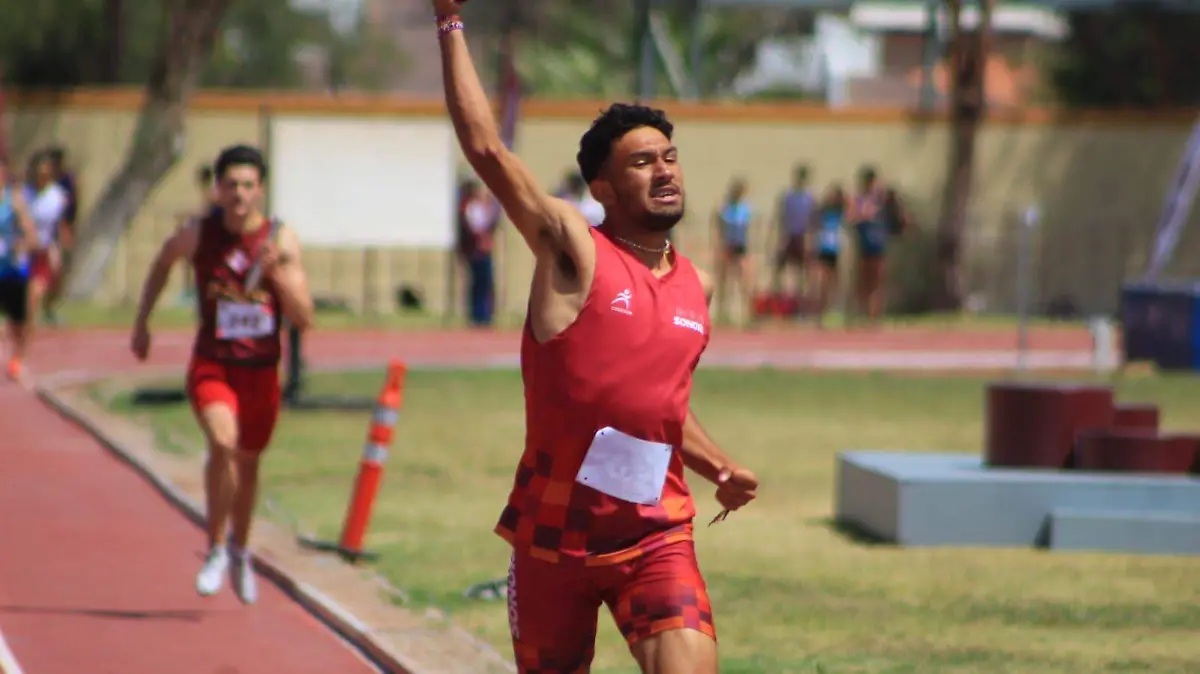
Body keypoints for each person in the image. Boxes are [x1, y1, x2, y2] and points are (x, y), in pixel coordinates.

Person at [434, 2, 758, 672]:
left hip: (656, 533)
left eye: (670, 157)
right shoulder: (574, 250)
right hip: (555, 536)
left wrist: (720, 467)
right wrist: (450, 21)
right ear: (602, 188)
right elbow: (488, 150)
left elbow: (661, 406)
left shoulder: (695, 286)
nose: (664, 171)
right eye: (642, 162)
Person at [129, 145, 314, 604]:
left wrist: (278, 276)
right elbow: (162, 262)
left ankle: (240, 551)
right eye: (231, 185)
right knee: (223, 441)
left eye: (248, 185)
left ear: (261, 189)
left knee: (247, 464)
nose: (239, 195)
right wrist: (143, 321)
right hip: (213, 365)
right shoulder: (198, 233)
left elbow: (304, 317)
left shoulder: (281, 240)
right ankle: (214, 547)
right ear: (218, 188)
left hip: (261, 372)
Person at [0, 157, 39, 381]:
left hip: (12, 270)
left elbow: (31, 236)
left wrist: (21, 244)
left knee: (17, 324)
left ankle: (17, 357)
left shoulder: (14, 201)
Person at [23, 152, 70, 332]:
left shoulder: (56, 196)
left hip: (45, 246)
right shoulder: (25, 194)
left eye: (46, 173)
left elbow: (59, 223)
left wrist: (60, 243)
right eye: (39, 173)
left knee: (56, 278)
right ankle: (27, 322)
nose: (42, 177)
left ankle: (47, 311)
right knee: (34, 289)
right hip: (24, 248)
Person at [847, 165, 889, 325]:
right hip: (864, 246)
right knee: (862, 282)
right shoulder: (858, 199)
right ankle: (858, 314)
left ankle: (874, 317)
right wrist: (863, 214)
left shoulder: (880, 199)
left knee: (877, 282)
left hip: (879, 246)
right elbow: (851, 218)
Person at [712, 177, 756, 326]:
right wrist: (718, 247)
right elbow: (719, 229)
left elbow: (749, 229)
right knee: (725, 281)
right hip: (727, 246)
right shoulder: (724, 208)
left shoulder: (746, 209)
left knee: (745, 281)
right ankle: (723, 313)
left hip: (741, 247)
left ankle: (747, 314)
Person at [770, 165, 815, 300]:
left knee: (802, 269)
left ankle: (801, 299)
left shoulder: (809, 199)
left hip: (802, 237)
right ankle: (777, 297)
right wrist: (779, 237)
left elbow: (811, 221)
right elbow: (781, 217)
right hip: (789, 235)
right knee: (779, 267)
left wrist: (809, 240)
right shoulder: (788, 197)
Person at [44, 146, 77, 326]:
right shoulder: (42, 181)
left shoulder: (67, 181)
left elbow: (72, 207)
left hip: (60, 231)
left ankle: (47, 309)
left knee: (58, 271)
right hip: (43, 232)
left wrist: (68, 229)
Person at [458, 179, 497, 326]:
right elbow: (474, 227)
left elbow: (492, 220)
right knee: (478, 282)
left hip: (483, 249)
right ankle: (477, 314)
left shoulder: (482, 207)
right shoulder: (470, 207)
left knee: (485, 282)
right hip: (476, 250)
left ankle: (485, 315)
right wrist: (480, 239)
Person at [809, 183, 846, 327]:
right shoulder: (823, 213)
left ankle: (833, 312)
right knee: (821, 284)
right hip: (823, 250)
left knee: (835, 284)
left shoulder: (839, 213)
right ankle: (819, 314)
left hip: (834, 251)